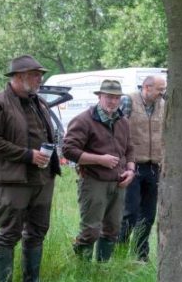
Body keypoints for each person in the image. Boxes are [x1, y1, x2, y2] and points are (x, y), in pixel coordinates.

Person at [0, 55, 61, 282]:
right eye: (36, 74)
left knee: (37, 231)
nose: (40, 79)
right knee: (8, 233)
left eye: (40, 74)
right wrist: (27, 155)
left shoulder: (39, 102)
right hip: (11, 181)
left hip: (42, 179)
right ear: (20, 76)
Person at [62, 79, 136, 262]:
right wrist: (99, 159)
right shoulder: (83, 120)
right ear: (100, 97)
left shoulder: (123, 121)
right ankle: (82, 269)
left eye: (116, 98)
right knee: (91, 230)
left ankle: (103, 269)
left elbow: (130, 148)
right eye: (109, 97)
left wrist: (131, 170)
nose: (112, 101)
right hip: (93, 180)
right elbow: (68, 150)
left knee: (112, 229)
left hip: (118, 182)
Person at [119, 75, 166, 261]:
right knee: (129, 212)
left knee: (148, 214)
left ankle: (140, 255)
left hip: (154, 166)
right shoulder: (128, 101)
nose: (162, 94)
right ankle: (119, 252)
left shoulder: (163, 105)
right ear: (146, 87)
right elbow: (118, 131)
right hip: (132, 166)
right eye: (159, 90)